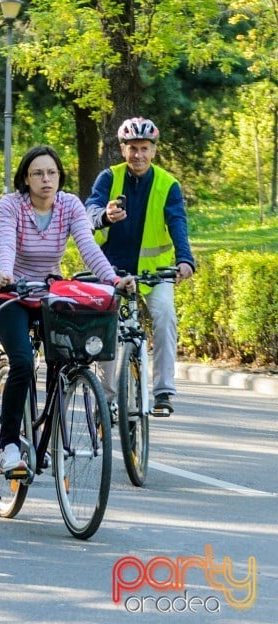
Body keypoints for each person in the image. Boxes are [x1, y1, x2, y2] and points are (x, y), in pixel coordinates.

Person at [0, 145, 135, 474]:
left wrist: (113, 280)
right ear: (25, 178)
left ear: (60, 177)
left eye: (52, 173)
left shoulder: (69, 205)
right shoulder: (11, 205)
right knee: (23, 362)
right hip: (10, 296)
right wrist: (6, 273)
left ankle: (47, 439)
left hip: (48, 296)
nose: (46, 179)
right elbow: (6, 243)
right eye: (38, 173)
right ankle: (9, 444)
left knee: (67, 360)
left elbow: (87, 245)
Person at [85, 117, 196, 416]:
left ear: (153, 151)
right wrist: (105, 216)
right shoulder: (108, 178)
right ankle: (107, 398)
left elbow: (177, 223)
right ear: (123, 150)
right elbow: (90, 211)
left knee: (164, 317)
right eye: (132, 148)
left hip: (155, 273)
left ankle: (163, 391)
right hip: (111, 270)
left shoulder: (167, 184)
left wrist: (185, 258)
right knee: (108, 325)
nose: (138, 155)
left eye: (144, 148)